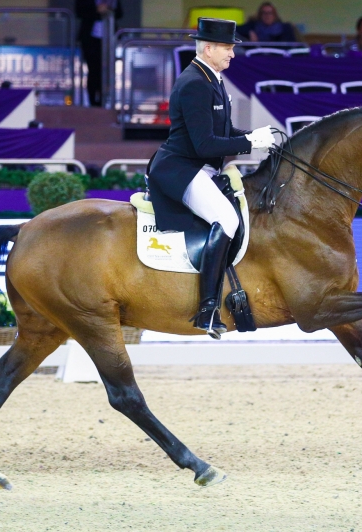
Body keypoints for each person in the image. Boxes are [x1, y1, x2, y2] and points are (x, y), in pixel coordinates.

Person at [148, 18, 274, 339]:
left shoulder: (213, 79)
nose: (232, 53)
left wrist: (253, 136)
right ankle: (207, 308)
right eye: (228, 48)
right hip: (182, 169)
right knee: (226, 220)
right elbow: (205, 143)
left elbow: (223, 132)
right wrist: (249, 143)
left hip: (202, 167)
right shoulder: (194, 83)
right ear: (208, 48)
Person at [76, 0, 123, 107]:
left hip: (108, 38)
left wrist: (108, 10)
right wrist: (97, 11)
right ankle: (93, 101)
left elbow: (120, 13)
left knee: (106, 70)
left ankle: (103, 100)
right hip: (90, 39)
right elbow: (79, 12)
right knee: (93, 70)